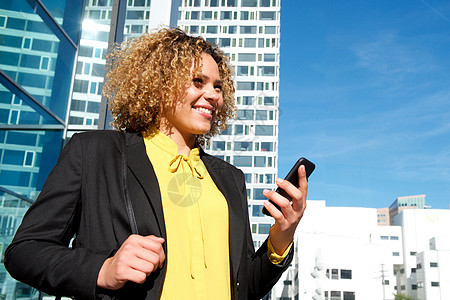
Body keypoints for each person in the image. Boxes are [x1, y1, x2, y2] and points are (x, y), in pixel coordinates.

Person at [5, 28, 308, 300]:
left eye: (218, 86)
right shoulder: (94, 153)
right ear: (160, 85)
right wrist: (103, 270)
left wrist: (281, 238)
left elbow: (246, 287)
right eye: (197, 81)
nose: (213, 95)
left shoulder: (230, 178)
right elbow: (25, 251)